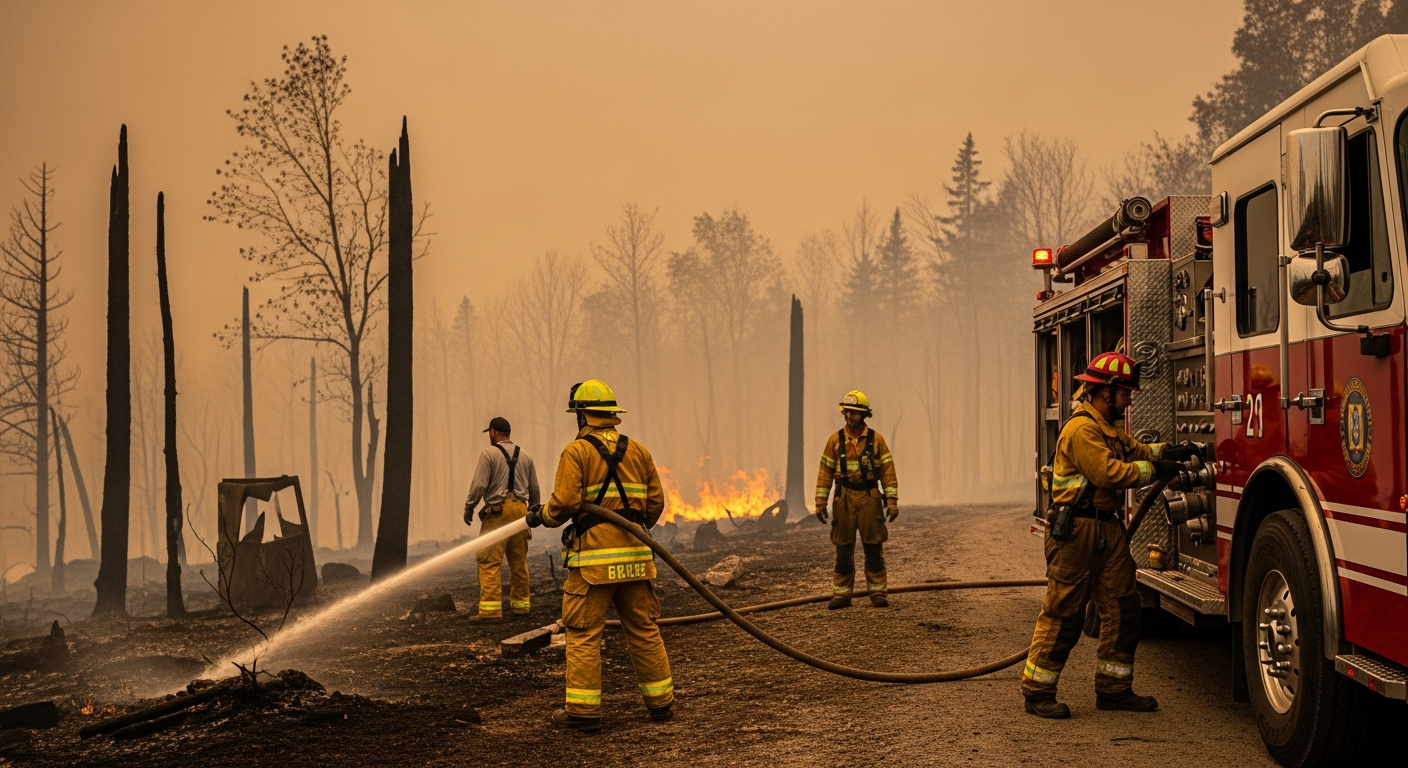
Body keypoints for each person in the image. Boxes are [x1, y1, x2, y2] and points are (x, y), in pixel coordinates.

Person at [1021, 351, 1198, 719]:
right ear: (1106, 391)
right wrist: (1156, 470)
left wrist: (1169, 451)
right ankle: (1038, 692)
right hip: (1076, 531)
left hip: (1107, 530)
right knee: (1065, 614)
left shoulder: (1108, 427)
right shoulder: (1082, 429)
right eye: (1126, 393)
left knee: (1124, 609)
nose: (1129, 400)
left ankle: (1114, 690)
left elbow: (1136, 450)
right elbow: (1109, 473)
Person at [526, 380, 673, 731]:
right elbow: (655, 503)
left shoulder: (577, 452)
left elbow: (564, 503)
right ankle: (661, 703)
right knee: (643, 628)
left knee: (582, 632)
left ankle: (583, 711)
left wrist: (542, 516)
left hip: (593, 563)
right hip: (635, 558)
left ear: (581, 415)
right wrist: (633, 529)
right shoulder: (639, 452)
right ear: (612, 414)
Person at [814, 390, 899, 610]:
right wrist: (820, 502)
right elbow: (825, 474)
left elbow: (888, 472)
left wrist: (892, 501)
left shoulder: (876, 440)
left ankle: (878, 592)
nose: (848, 416)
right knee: (843, 548)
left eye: (853, 412)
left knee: (873, 547)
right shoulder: (835, 441)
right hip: (844, 499)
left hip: (870, 498)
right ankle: (842, 595)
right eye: (846, 412)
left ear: (864, 414)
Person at [463, 416, 540, 619]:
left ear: (493, 433)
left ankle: (490, 612)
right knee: (519, 561)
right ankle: (521, 607)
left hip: (497, 512)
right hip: (521, 512)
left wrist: (469, 507)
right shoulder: (526, 456)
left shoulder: (488, 454)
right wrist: (533, 513)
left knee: (489, 560)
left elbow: (479, 485)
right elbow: (534, 488)